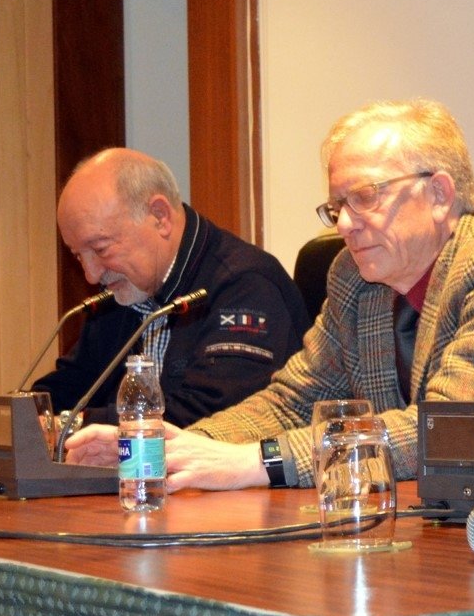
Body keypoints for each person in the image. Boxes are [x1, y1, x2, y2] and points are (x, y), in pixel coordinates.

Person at [67, 99, 474, 488]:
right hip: (417, 517)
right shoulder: (355, 276)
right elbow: (294, 399)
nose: (344, 224)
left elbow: (451, 431)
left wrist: (261, 462)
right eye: (337, 206)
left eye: (364, 197)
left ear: (438, 193)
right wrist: (176, 447)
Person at [34, 148, 309, 427]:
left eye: (100, 249)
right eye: (78, 256)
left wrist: (73, 424)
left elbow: (213, 415)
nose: (91, 275)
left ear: (160, 216)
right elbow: (73, 383)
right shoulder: (123, 288)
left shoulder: (246, 284)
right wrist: (27, 413)